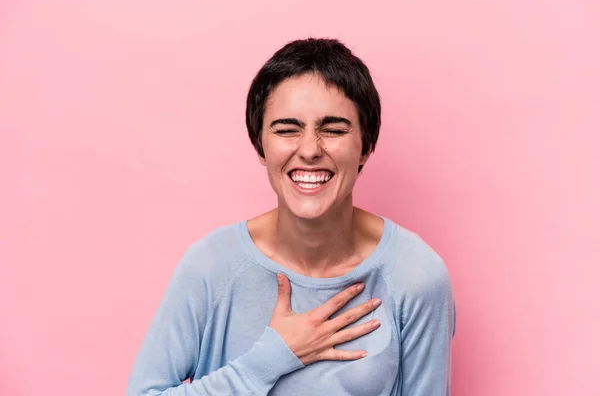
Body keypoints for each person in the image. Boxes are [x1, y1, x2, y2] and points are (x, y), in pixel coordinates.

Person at [126, 38, 456, 396]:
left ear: (366, 145)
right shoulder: (211, 266)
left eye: (333, 130)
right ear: (260, 145)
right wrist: (271, 358)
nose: (310, 150)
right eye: (286, 130)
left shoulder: (416, 275)